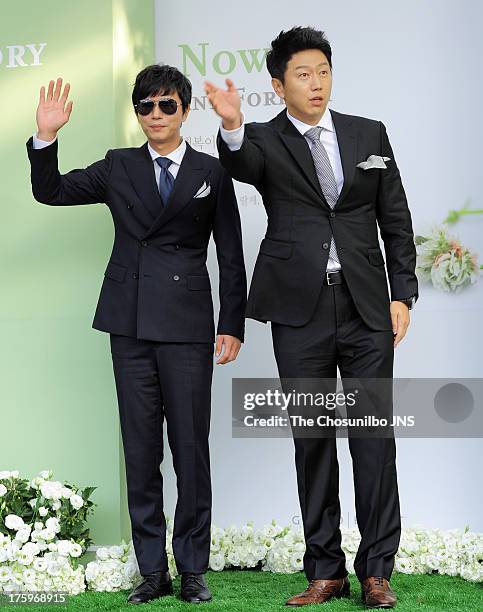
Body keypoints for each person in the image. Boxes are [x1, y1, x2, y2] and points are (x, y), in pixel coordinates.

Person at [205, 26, 418, 609]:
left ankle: (377, 570)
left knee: (374, 438)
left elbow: (395, 220)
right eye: (302, 74)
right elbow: (241, 162)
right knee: (312, 438)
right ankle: (325, 569)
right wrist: (229, 125)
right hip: (299, 313)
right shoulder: (265, 141)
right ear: (278, 85)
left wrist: (403, 294)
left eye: (322, 70)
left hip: (367, 308)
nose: (316, 82)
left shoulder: (367, 133)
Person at [27, 64, 247, 605]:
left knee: (191, 449)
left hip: (190, 326)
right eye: (145, 105)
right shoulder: (118, 166)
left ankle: (193, 567)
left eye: (166, 105)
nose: (155, 115)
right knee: (141, 450)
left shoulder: (209, 172)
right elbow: (49, 191)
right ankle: (153, 571)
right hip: (129, 325)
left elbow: (232, 253)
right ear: (137, 112)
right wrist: (46, 137)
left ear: (185, 111)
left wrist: (232, 323)